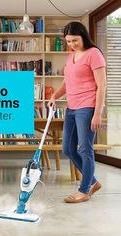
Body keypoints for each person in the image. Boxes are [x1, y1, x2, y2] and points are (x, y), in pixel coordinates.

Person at [48, 21, 106, 203]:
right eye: (68, 41)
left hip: (87, 107)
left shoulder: (94, 54)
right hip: (71, 108)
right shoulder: (70, 57)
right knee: (68, 149)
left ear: (83, 36)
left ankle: (84, 190)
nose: (72, 44)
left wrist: (97, 113)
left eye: (75, 40)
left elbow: (102, 85)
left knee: (85, 149)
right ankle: (93, 182)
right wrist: (55, 96)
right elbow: (67, 83)